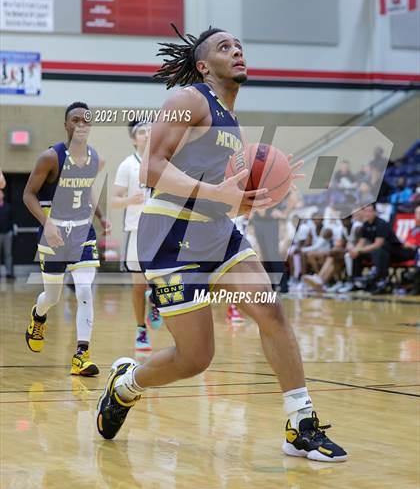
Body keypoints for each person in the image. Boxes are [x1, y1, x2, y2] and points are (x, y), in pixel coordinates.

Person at [96, 26, 347, 462]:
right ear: (202, 65)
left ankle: (300, 424)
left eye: (239, 46)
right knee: (195, 359)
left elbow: (218, 192)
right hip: (172, 239)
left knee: (270, 309)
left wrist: (253, 197)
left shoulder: (230, 120)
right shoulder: (188, 100)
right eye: (223, 47)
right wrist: (219, 195)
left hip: (217, 233)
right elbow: (150, 171)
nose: (236, 51)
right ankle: (126, 384)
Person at [23, 101, 111, 375]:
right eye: (76, 120)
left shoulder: (93, 157)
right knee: (53, 295)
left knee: (85, 290)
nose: (81, 125)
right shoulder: (51, 157)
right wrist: (47, 224)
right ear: (66, 125)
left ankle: (81, 355)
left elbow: (87, 190)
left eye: (86, 120)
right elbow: (28, 195)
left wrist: (100, 215)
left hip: (82, 231)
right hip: (54, 234)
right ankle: (39, 316)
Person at [112, 120, 162, 353]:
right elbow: (114, 199)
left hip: (160, 230)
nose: (147, 134)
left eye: (151, 131)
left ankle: (156, 301)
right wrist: (129, 201)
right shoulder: (127, 165)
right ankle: (141, 329)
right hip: (136, 230)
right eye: (142, 132)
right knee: (138, 284)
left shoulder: (163, 163)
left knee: (163, 278)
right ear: (134, 139)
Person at [349, 204, 415, 294]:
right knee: (356, 254)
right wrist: (355, 250)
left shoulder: (381, 223)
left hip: (396, 251)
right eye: (366, 211)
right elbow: (362, 242)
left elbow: (377, 244)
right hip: (383, 253)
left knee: (379, 250)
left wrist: (359, 250)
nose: (367, 213)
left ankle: (380, 281)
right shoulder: (365, 224)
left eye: (370, 211)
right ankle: (356, 282)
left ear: (375, 212)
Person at [0, 189, 15, 279]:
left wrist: (12, 230)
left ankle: (9, 273)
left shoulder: (8, 206)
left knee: (8, 254)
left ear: (3, 195)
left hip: (7, 233)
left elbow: (12, 219)